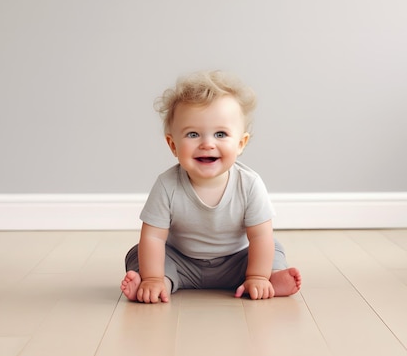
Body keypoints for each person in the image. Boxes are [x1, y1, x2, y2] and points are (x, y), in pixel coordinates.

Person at [120, 70, 301, 303]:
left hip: (237, 263)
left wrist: (256, 274)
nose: (207, 144)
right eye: (193, 134)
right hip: (182, 262)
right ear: (172, 144)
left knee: (272, 248)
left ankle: (265, 279)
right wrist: (152, 276)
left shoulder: (249, 184)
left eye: (220, 134)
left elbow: (259, 236)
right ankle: (159, 283)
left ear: (240, 143)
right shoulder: (167, 185)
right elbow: (153, 237)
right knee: (139, 253)